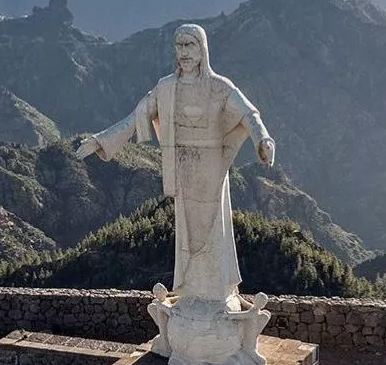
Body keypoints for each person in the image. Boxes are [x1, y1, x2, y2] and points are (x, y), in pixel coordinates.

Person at [76, 23, 275, 309]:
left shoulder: (220, 87)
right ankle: (193, 292)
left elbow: (249, 113)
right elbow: (136, 117)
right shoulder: (166, 87)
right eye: (179, 46)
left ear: (202, 49)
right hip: (182, 168)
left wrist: (263, 140)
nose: (183, 52)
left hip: (211, 168)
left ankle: (220, 294)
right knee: (187, 232)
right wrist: (101, 141)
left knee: (214, 229)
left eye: (190, 45)